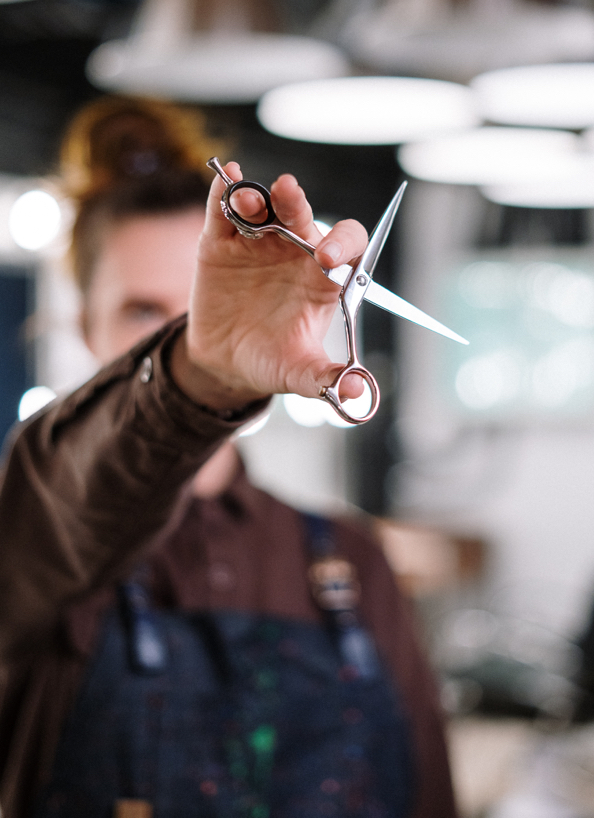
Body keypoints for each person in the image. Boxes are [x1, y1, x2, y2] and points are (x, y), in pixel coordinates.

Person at [0, 97, 457, 818]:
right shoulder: (32, 529)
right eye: (146, 313)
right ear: (83, 325)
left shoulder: (351, 561)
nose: (195, 325)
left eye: (204, 301)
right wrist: (201, 371)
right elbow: (62, 485)